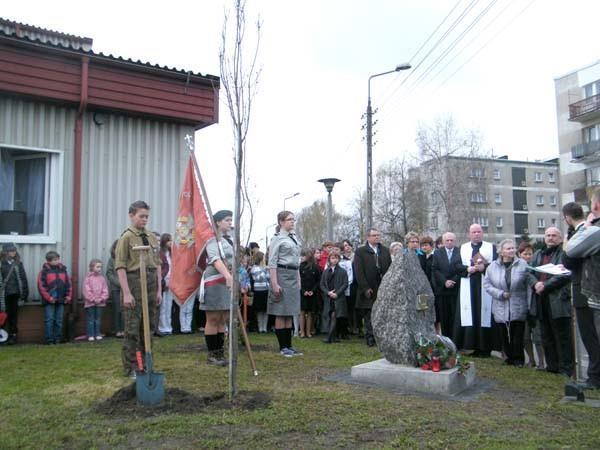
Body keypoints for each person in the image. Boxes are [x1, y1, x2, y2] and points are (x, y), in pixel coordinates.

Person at [115, 200, 162, 378]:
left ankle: (147, 362)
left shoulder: (150, 236)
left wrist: (158, 290)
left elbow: (157, 264)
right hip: (134, 282)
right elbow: (120, 267)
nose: (144, 220)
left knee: (148, 328)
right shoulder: (126, 238)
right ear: (131, 215)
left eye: (147, 217)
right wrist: (126, 293)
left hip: (150, 282)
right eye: (141, 216)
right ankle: (132, 366)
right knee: (132, 328)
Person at [564, 195, 600, 389]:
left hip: (590, 290)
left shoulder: (592, 230)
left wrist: (583, 228)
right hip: (589, 289)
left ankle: (595, 377)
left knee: (591, 335)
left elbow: (568, 254)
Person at [530, 227, 573, 377]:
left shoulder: (564, 254)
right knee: (546, 334)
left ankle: (566, 368)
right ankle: (552, 366)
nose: (550, 238)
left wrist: (544, 285)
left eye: (554, 235)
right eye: (548, 235)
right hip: (541, 299)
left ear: (560, 238)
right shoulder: (538, 254)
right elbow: (529, 272)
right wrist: (535, 284)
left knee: (562, 336)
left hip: (558, 299)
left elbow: (564, 275)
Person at [483, 239, 530, 367]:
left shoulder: (523, 264)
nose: (511, 251)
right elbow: (486, 284)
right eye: (508, 249)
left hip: (518, 303)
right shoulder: (492, 266)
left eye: (513, 248)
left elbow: (528, 283)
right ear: (501, 251)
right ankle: (509, 357)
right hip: (501, 304)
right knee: (504, 333)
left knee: (517, 334)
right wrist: (500, 294)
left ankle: (519, 359)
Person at [454, 223, 499, 357]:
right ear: (469, 234)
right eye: (473, 232)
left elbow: (497, 265)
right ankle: (470, 345)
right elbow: (456, 265)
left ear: (482, 233)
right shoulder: (462, 248)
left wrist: (484, 268)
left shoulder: (491, 248)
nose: (476, 234)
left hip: (485, 286)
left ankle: (485, 348)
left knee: (485, 314)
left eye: (479, 232)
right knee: (470, 313)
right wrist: (468, 269)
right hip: (468, 285)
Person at [199, 210, 234, 366]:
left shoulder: (228, 240)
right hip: (215, 280)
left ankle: (220, 354)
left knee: (222, 318)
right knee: (213, 318)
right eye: (227, 220)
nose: (230, 223)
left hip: (227, 281)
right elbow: (215, 259)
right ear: (218, 222)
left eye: (231, 220)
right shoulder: (212, 239)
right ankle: (212, 355)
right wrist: (227, 275)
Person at [268, 210, 302, 357]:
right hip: (282, 274)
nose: (292, 222)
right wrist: (274, 283)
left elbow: (297, 261)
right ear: (281, 222)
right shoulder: (277, 239)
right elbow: (272, 262)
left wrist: (298, 278)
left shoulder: (293, 237)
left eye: (293, 219)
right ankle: (283, 347)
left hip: (293, 274)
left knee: (289, 312)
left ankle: (289, 345)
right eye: (289, 220)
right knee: (281, 312)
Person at [353, 228, 391, 347]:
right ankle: (370, 337)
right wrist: (365, 288)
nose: (377, 237)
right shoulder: (360, 251)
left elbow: (390, 268)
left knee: (382, 313)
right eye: (374, 235)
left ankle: (381, 337)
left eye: (378, 235)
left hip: (382, 286)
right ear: (368, 237)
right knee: (369, 313)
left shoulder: (384, 250)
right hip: (369, 288)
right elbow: (358, 271)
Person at [517, 241, 545, 369]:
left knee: (538, 337)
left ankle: (541, 362)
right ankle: (531, 360)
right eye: (525, 254)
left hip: (535, 306)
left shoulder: (537, 267)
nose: (528, 256)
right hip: (522, 307)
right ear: (519, 254)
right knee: (525, 337)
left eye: (530, 254)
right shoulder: (517, 268)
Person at [431, 232, 462, 341]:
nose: (449, 242)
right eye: (447, 240)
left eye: (451, 240)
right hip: (442, 290)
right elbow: (435, 269)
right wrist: (444, 281)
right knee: (444, 317)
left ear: (455, 241)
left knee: (455, 316)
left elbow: (461, 269)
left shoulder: (460, 252)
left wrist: (453, 281)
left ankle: (457, 341)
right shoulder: (437, 253)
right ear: (443, 242)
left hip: (456, 289)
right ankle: (446, 341)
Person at [37, 250, 72, 345]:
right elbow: (41, 287)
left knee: (59, 320)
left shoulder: (63, 270)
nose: (57, 261)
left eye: (58, 259)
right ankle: (49, 340)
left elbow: (68, 284)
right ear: (48, 261)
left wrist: (68, 296)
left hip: (61, 300)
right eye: (55, 260)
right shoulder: (44, 272)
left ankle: (57, 339)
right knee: (49, 320)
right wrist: (49, 298)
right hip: (49, 301)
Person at [0, 243, 28, 345]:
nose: (13, 252)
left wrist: (24, 295)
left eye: (14, 250)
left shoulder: (18, 264)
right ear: (5, 252)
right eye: (11, 250)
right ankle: (2, 338)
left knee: (12, 317)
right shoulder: (1, 264)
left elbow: (23, 279)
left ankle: (13, 336)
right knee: (2, 317)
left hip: (14, 294)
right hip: (3, 295)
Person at [320, 251, 349, 343]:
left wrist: (337, 293)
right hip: (328, 298)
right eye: (332, 258)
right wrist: (328, 292)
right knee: (329, 316)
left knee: (334, 315)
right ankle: (334, 337)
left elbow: (345, 284)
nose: (334, 260)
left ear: (339, 259)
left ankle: (329, 337)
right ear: (329, 259)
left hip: (338, 298)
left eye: (336, 258)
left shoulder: (343, 271)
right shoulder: (325, 271)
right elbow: (322, 284)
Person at [83, 258, 109, 341]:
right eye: (97, 267)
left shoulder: (102, 278)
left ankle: (97, 333)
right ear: (92, 267)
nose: (99, 269)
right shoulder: (88, 278)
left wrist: (101, 298)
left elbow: (105, 290)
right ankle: (90, 334)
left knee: (98, 319)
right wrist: (93, 299)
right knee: (91, 319)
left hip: (100, 303)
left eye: (100, 267)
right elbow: (86, 290)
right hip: (90, 303)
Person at [299, 248, 320, 338]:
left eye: (304, 255)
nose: (303, 257)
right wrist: (303, 291)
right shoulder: (301, 266)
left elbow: (318, 281)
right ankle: (302, 332)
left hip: (312, 293)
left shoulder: (316, 267)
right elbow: (299, 280)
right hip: (302, 292)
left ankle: (308, 332)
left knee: (310, 313)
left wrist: (313, 291)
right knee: (302, 312)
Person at [106, 240, 124, 338]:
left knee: (125, 310)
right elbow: (109, 274)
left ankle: (124, 330)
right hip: (116, 289)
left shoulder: (126, 258)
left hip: (126, 289)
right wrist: (118, 283)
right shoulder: (111, 260)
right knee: (117, 310)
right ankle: (117, 330)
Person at [157, 233, 174, 336]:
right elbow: (162, 269)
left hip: (172, 281)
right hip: (164, 282)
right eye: (168, 241)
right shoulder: (161, 254)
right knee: (163, 306)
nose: (170, 242)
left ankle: (168, 327)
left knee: (169, 306)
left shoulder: (172, 254)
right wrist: (165, 281)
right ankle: (162, 328)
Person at [337, 242, 354, 339]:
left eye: (338, 249)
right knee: (335, 311)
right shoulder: (330, 261)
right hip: (333, 291)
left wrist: (344, 288)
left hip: (345, 290)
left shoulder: (347, 261)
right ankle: (336, 331)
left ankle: (344, 331)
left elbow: (350, 276)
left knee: (345, 311)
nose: (336, 251)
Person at [250, 251, 269, 333]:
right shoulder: (254, 268)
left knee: (265, 309)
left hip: (266, 290)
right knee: (259, 310)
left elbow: (268, 277)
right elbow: (258, 278)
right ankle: (260, 327)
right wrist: (264, 270)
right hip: (258, 291)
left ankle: (265, 327)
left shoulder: (265, 268)